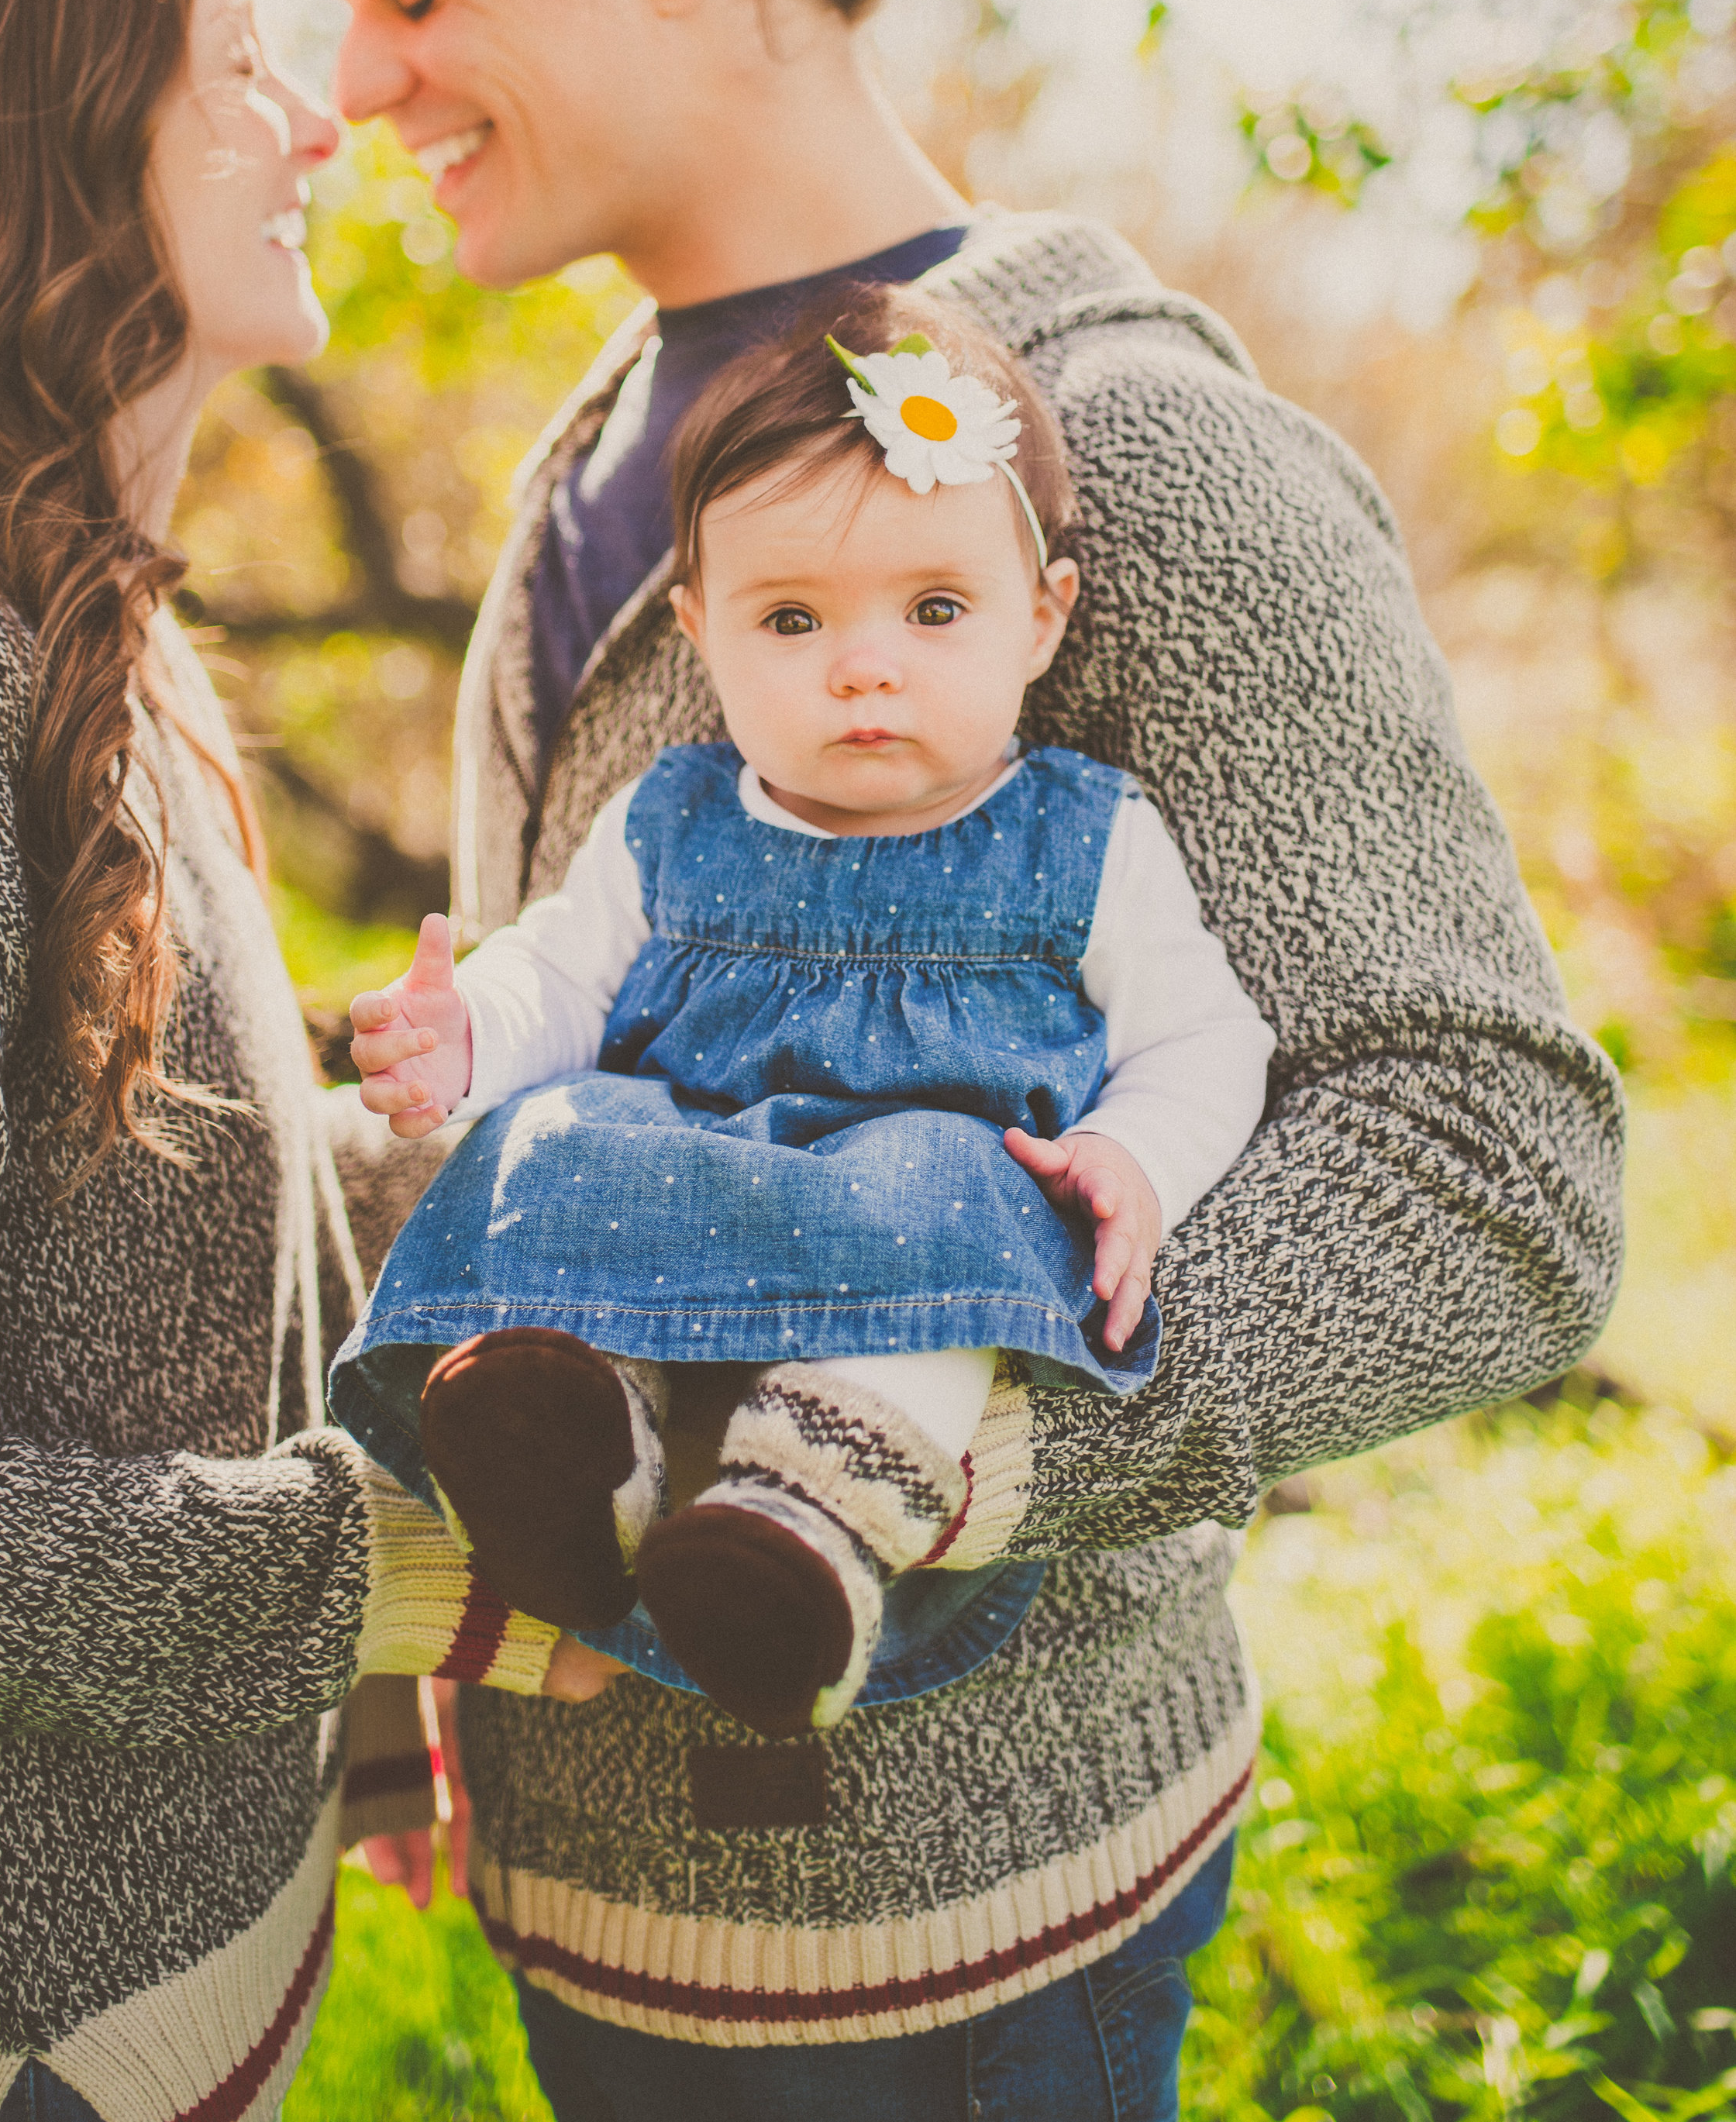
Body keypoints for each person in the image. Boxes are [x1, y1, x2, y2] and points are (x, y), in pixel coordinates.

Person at [310, 0, 1625, 2117]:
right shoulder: (586, 480)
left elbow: (1490, 1165)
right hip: (600, 1903)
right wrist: (423, 1650)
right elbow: (551, 1058)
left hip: (987, 1921)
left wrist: (942, 1447)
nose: (356, 78)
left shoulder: (1136, 453)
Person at [0, 0, 607, 2122]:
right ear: (37, 149)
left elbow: (124, 1211)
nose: (314, 121)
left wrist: (497, 1161)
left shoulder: (87, 658)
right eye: (232, 65)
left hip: (164, 1982)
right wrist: (426, 1573)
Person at [339, 294, 1273, 1742]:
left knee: (972, 1203)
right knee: (559, 1133)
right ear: (703, 632)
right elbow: (564, 979)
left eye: (935, 610)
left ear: (1044, 617)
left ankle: (799, 1535)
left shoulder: (1084, 842)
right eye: (792, 619)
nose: (864, 665)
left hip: (915, 1213)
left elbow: (1208, 1041)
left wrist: (1136, 1157)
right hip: (675, 1188)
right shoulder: (674, 818)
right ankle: (575, 1447)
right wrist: (467, 1029)